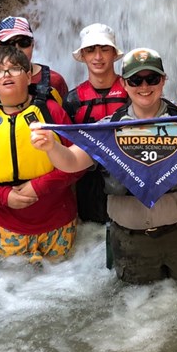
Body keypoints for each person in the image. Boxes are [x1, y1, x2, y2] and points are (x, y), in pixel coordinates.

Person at [29, 49, 177, 283]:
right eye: (136, 80)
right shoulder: (108, 128)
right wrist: (52, 147)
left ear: (163, 80)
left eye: (152, 78)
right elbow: (71, 162)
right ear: (124, 84)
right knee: (140, 308)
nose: (144, 87)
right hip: (131, 241)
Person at [0, 46, 79, 263]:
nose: (6, 75)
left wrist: (39, 186)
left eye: (14, 69)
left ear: (27, 75)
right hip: (8, 228)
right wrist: (3, 197)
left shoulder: (52, 112)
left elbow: (78, 163)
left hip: (58, 223)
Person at [0, 16, 68, 223]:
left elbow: (66, 135)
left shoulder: (54, 80)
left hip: (50, 190)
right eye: (9, 44)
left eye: (23, 42)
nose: (18, 49)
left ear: (33, 43)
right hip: (0, 193)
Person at [62, 24, 128, 224]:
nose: (98, 57)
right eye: (91, 50)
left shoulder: (134, 92)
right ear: (83, 55)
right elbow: (65, 150)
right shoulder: (73, 100)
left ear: (114, 53)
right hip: (88, 184)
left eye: (104, 49)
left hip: (128, 182)